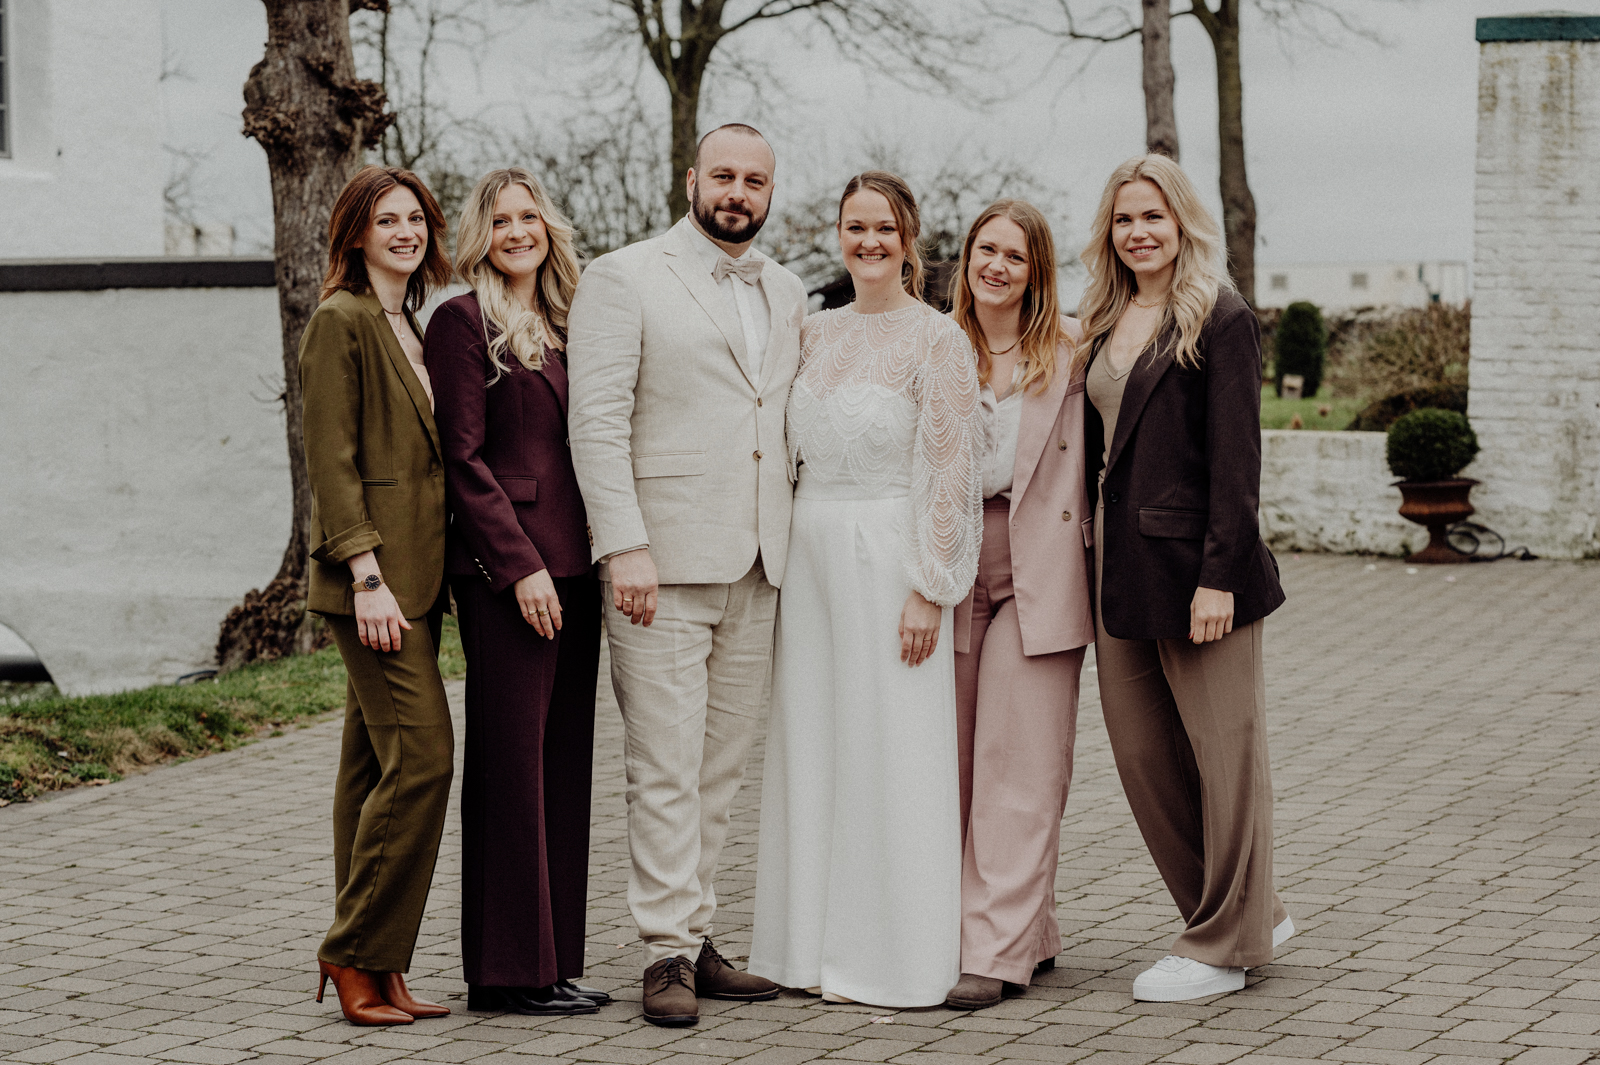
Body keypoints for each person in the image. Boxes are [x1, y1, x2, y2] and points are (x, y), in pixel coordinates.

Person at [566, 123, 807, 1028]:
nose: (738, 193)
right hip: (658, 565)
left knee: (719, 769)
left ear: (770, 192)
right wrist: (623, 544)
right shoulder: (623, 276)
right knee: (663, 765)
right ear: (693, 178)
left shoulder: (786, 289)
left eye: (755, 181)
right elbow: (597, 420)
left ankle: (698, 935)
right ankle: (663, 947)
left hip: (759, 560)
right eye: (724, 176)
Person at [749, 170, 983, 1009]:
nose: (869, 241)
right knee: (812, 742)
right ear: (839, 236)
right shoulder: (810, 333)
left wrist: (929, 586)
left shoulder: (939, 339)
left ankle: (894, 952)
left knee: (890, 745)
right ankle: (803, 946)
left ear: (908, 238)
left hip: (890, 557)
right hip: (809, 559)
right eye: (855, 226)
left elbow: (949, 471)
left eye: (884, 227)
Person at [1079, 154, 1291, 1003]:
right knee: (1142, 754)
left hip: (1201, 570)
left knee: (1225, 755)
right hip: (1116, 568)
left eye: (1153, 217)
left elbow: (1238, 461)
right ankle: (1247, 911)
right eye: (1125, 218)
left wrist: (1220, 577)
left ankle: (1220, 947)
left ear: (1182, 224)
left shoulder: (1220, 316)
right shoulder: (1102, 316)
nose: (1139, 232)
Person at [424, 168, 606, 1017]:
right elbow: (462, 458)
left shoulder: (570, 322)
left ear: (549, 226)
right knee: (510, 768)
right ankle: (503, 972)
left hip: (578, 566)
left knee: (562, 766)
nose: (517, 231)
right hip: (510, 576)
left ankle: (552, 960)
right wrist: (518, 564)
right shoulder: (461, 322)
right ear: (480, 235)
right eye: (500, 220)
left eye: (529, 216)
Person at [301, 165, 455, 1026]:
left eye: (415, 219)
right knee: (425, 759)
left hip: (417, 581)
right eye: (386, 219)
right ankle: (350, 946)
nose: (406, 232)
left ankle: (382, 963)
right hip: (374, 584)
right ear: (355, 233)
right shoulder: (342, 320)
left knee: (369, 773)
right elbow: (332, 463)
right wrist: (365, 576)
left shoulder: (410, 323)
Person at [942, 200, 1094, 1010]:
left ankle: (995, 951)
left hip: (1041, 561)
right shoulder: (938, 345)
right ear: (966, 256)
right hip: (948, 562)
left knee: (1021, 762)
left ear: (1037, 272)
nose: (996, 266)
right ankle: (1026, 930)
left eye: (1015, 255)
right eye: (986, 249)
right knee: (954, 761)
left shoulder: (1073, 349)